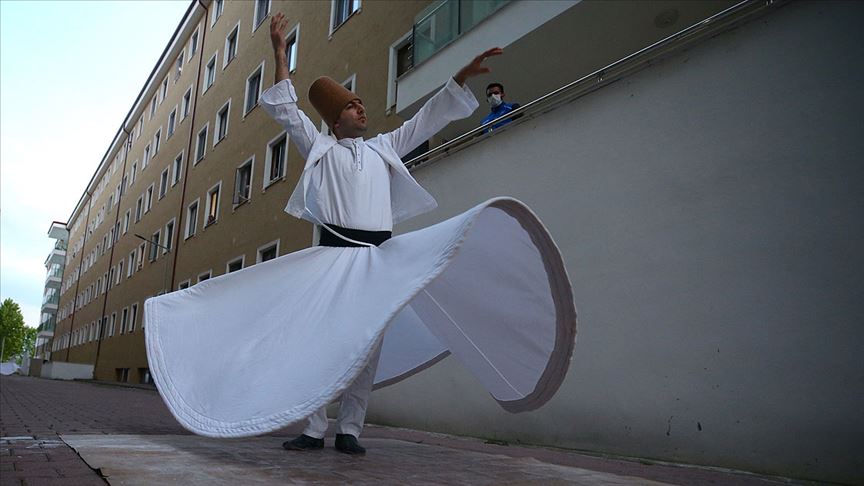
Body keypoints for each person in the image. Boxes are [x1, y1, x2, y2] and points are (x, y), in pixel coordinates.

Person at [263, 12, 502, 455]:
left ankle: (349, 429)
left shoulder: (383, 147)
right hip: (333, 257)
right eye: (353, 106)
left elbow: (427, 120)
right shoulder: (320, 148)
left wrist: (460, 78)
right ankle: (314, 429)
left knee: (368, 347)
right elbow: (286, 111)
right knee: (321, 343)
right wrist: (280, 53)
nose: (362, 109)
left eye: (361, 104)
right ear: (335, 120)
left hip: (376, 258)